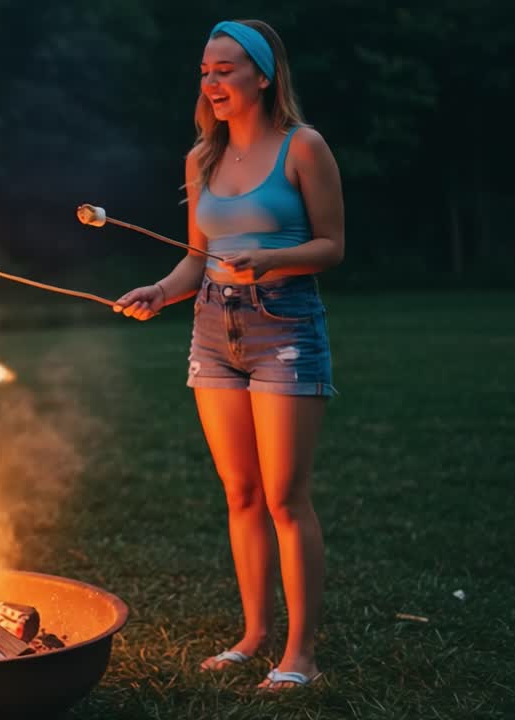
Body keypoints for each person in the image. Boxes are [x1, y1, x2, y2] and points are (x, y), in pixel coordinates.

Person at [113, 19, 344, 690]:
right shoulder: (201, 158)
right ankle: (254, 635)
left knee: (284, 499)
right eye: (205, 72)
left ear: (263, 76)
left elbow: (331, 245)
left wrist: (267, 258)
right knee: (240, 493)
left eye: (226, 70)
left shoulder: (303, 148)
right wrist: (160, 291)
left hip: (285, 328)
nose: (212, 82)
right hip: (213, 331)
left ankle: (300, 654)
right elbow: (197, 259)